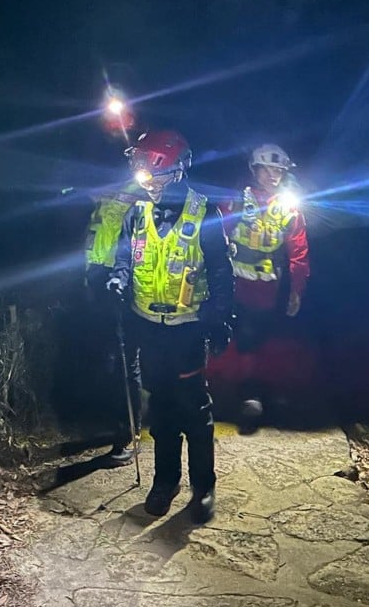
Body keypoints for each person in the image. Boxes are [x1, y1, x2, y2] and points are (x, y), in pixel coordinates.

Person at [107, 129, 234, 524]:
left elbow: (221, 271)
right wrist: (118, 281)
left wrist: (220, 319)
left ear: (177, 171)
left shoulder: (203, 212)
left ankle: (203, 486)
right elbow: (124, 258)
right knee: (161, 407)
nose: (147, 182)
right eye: (143, 173)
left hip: (188, 328)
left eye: (154, 174)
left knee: (193, 409)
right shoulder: (137, 212)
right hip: (149, 327)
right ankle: (165, 480)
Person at [219, 143, 310, 431]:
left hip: (266, 286)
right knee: (228, 336)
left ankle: (251, 392)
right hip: (232, 281)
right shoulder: (237, 199)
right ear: (254, 169)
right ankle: (228, 389)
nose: (273, 175)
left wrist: (296, 289)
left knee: (256, 339)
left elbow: (298, 249)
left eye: (278, 170)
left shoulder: (288, 205)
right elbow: (217, 233)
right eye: (267, 169)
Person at [83, 176, 146, 466]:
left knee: (125, 361)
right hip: (99, 280)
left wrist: (122, 280)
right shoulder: (104, 186)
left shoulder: (140, 187)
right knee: (109, 359)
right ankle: (114, 428)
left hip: (124, 280)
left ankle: (127, 435)